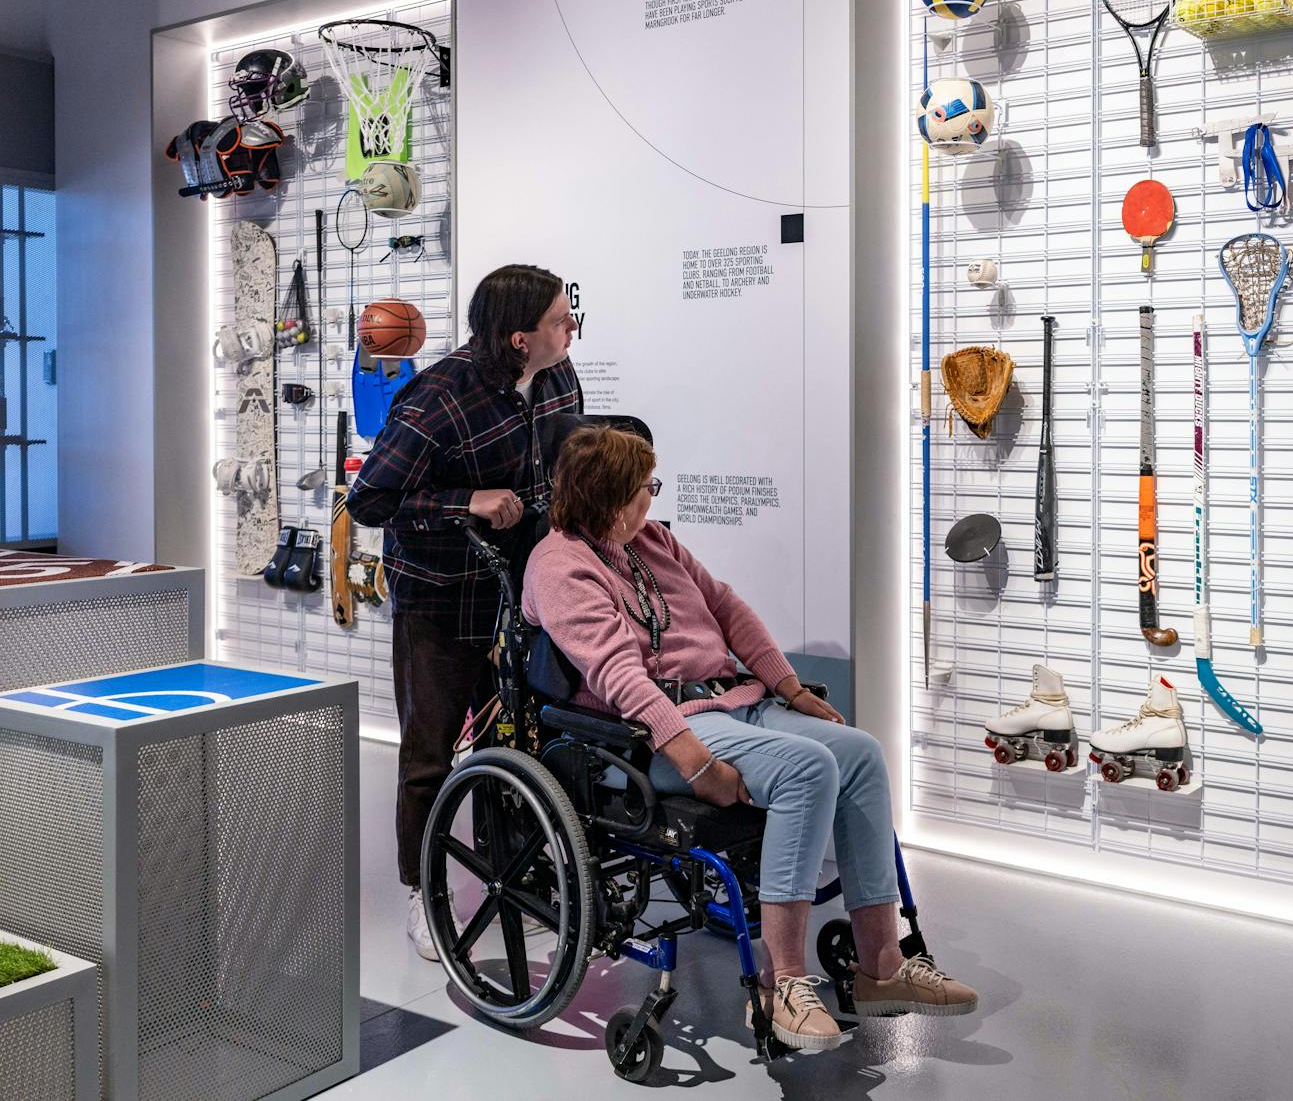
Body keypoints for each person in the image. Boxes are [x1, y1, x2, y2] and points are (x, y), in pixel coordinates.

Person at [523, 427, 976, 1052]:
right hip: (649, 737)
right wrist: (692, 759)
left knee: (862, 753)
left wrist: (790, 689)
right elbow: (619, 676)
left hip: (731, 700)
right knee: (808, 768)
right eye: (642, 490)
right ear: (607, 499)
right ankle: (782, 983)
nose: (651, 500)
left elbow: (728, 609)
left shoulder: (650, 542)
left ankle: (883, 965)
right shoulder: (559, 567)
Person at [347, 263, 582, 960]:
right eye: (559, 321)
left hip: (526, 599)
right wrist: (465, 502)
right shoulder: (437, 398)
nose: (571, 329)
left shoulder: (560, 377)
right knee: (429, 756)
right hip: (440, 602)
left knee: (513, 747)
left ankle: (509, 878)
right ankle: (426, 897)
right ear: (519, 338)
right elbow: (369, 503)